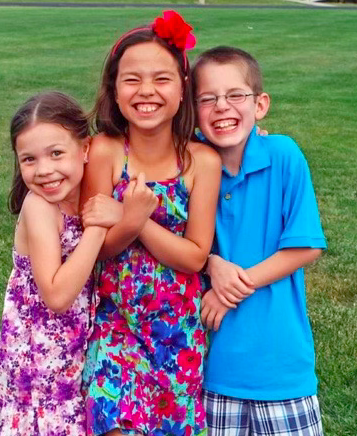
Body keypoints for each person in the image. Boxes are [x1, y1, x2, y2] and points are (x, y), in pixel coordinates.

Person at [80, 11, 221, 436]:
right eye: (131, 79)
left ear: (183, 91)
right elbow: (93, 249)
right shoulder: (105, 152)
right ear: (114, 91)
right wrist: (127, 221)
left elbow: (195, 256)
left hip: (177, 337)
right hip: (114, 325)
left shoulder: (202, 161)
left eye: (161, 79)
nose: (146, 91)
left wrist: (134, 220)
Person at [191, 46, 327, 436]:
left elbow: (306, 246)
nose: (222, 107)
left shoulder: (283, 154)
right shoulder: (192, 167)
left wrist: (231, 288)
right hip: (214, 370)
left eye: (236, 95)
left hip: (281, 367)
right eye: (207, 99)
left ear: (260, 104)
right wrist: (212, 263)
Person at [0, 91, 114, 435]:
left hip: (70, 358)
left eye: (57, 153)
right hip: (33, 367)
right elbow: (56, 297)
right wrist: (98, 228)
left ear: (85, 149)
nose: (44, 170)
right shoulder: (40, 207)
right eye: (29, 159)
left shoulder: (85, 192)